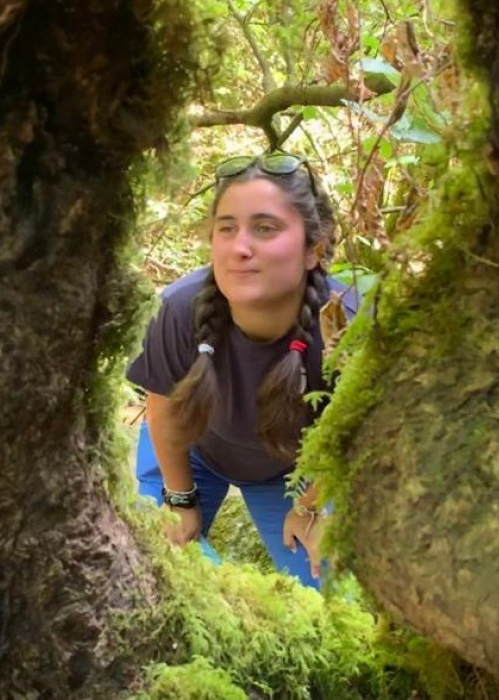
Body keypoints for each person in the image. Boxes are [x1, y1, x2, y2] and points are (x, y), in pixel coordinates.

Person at [126, 152, 359, 589]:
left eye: (265, 228)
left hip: (289, 471)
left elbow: (351, 432)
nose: (241, 247)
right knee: (154, 565)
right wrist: (179, 500)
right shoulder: (179, 311)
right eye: (227, 228)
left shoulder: (344, 322)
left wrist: (310, 506)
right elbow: (165, 412)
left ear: (315, 248)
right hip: (193, 451)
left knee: (330, 590)